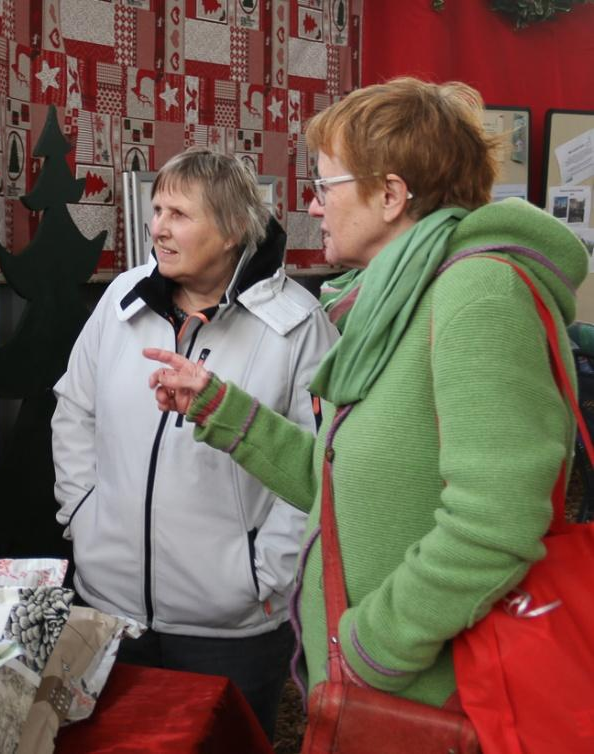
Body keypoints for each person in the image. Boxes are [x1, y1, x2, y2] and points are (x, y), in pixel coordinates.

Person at [146, 78, 587, 710]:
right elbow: (341, 477)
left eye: (326, 186)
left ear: (389, 195)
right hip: (381, 693)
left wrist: (369, 648)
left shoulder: (478, 295)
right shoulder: (394, 301)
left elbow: (497, 522)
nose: (315, 206)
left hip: (432, 701)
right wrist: (219, 406)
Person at [51, 147, 339, 739]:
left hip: (229, 625)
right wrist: (84, 513)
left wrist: (266, 573)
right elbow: (74, 409)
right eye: (156, 208)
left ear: (234, 228)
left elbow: (321, 465)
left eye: (179, 213)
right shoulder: (122, 299)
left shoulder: (296, 325)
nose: (158, 226)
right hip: (108, 607)